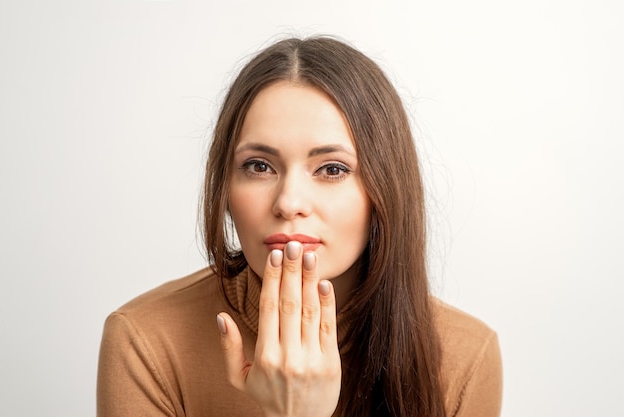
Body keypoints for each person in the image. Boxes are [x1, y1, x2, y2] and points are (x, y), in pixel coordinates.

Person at [97, 36, 503, 417]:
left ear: (386, 190)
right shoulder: (145, 341)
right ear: (224, 186)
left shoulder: (465, 355)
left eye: (332, 169)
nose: (289, 202)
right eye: (259, 166)